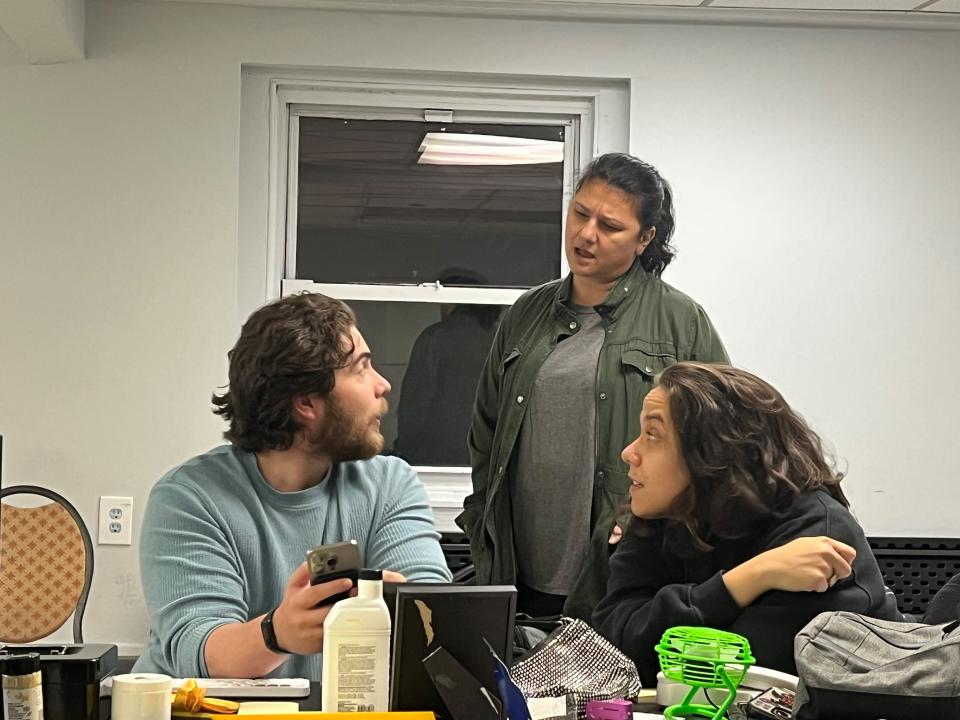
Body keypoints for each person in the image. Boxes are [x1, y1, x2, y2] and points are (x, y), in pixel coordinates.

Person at [457, 153, 728, 619]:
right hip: (518, 570)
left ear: (645, 239)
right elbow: (486, 429)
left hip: (624, 572)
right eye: (580, 214)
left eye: (610, 225)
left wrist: (658, 526)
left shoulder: (681, 322)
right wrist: (484, 518)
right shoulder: (527, 313)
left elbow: (722, 444)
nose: (586, 235)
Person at [134, 293, 451, 680]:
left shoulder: (390, 484)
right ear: (306, 404)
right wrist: (278, 633)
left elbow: (434, 624)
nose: (382, 385)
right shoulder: (189, 499)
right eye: (362, 368)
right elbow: (199, 653)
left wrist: (406, 612)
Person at [592, 362, 902, 684]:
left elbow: (738, 676)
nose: (629, 452)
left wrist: (672, 616)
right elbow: (613, 649)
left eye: (652, 435)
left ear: (714, 452)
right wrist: (750, 578)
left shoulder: (816, 530)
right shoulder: (664, 513)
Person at [394, 269, 502, 466]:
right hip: (488, 460)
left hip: (434, 458)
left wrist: (406, 451)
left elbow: (414, 407)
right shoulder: (499, 341)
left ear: (453, 300)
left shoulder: (435, 338)